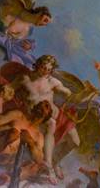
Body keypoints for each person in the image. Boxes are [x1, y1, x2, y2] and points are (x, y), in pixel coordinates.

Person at [12, 54, 77, 183]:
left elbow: (65, 91)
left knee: (75, 142)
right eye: (43, 67)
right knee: (51, 124)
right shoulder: (25, 79)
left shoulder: (52, 82)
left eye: (48, 69)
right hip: (39, 116)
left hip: (58, 114)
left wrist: (67, 92)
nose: (45, 71)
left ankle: (55, 162)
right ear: (37, 65)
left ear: (51, 70)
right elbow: (9, 89)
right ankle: (48, 166)